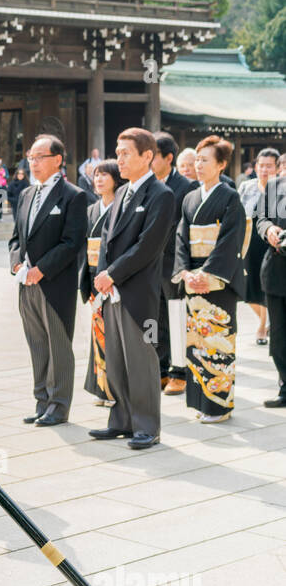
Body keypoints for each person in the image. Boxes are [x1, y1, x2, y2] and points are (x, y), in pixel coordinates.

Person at [90, 127, 175, 450]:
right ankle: (121, 420)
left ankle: (147, 426)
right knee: (115, 359)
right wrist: (101, 278)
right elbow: (105, 243)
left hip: (138, 290)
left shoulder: (161, 195)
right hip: (111, 290)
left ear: (147, 156)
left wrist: (112, 274)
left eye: (126, 153)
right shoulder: (122, 193)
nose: (119, 159)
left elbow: (148, 246)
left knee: (142, 360)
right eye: (118, 151)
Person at [8, 134, 88, 426]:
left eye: (40, 156)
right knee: (37, 344)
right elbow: (16, 237)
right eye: (30, 156)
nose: (33, 162)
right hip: (25, 283)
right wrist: (16, 263)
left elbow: (72, 242)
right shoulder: (27, 194)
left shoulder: (73, 196)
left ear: (57, 160)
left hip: (54, 284)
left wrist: (41, 269)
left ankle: (59, 405)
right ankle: (41, 401)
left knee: (58, 346)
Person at [172, 137, 247, 423]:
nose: (198, 165)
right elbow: (181, 238)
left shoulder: (230, 197)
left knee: (218, 343)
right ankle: (201, 402)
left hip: (218, 282)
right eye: (196, 159)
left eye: (205, 160)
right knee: (197, 344)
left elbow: (231, 240)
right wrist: (186, 272)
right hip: (194, 279)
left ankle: (219, 406)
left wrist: (207, 273)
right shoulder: (190, 198)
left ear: (221, 164)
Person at [152, 132, 195, 395]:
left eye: (153, 155)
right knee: (154, 319)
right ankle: (159, 369)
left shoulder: (185, 187)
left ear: (169, 158)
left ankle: (179, 372)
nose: (149, 159)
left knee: (177, 317)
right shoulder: (148, 185)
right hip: (149, 265)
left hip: (172, 263)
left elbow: (183, 229)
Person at [79, 159, 121, 405]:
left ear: (116, 178)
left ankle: (114, 389)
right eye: (96, 175)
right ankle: (101, 388)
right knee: (98, 333)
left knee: (114, 335)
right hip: (95, 276)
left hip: (112, 277)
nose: (99, 179)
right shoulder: (92, 209)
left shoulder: (120, 206)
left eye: (105, 175)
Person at [239, 148, 279, 344]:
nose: (264, 170)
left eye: (269, 166)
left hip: (270, 243)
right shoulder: (246, 187)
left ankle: (263, 326)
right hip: (249, 242)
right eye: (261, 165)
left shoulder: (279, 190)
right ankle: (266, 320)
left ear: (277, 168)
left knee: (265, 286)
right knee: (247, 290)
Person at [256, 169, 286, 407]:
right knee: (278, 336)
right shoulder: (275, 185)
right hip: (277, 269)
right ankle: (285, 386)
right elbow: (261, 218)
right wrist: (268, 230)